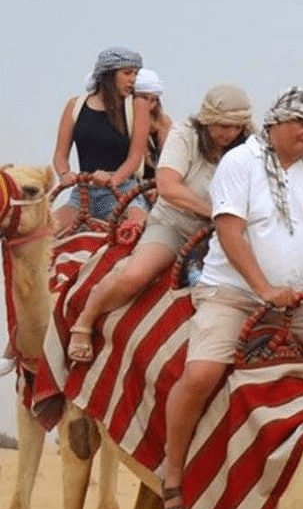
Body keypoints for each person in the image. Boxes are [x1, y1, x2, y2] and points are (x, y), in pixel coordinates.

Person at [160, 87, 303, 509]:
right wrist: (262, 287)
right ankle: (173, 472)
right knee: (201, 374)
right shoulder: (243, 163)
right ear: (276, 124)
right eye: (302, 123)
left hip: (296, 300)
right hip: (234, 292)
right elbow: (230, 230)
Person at [66, 85, 256, 363]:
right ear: (206, 120)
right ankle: (84, 321)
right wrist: (214, 213)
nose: (227, 133)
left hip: (229, 233)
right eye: (220, 126)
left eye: (234, 126)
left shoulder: (253, 148)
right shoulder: (185, 136)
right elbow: (168, 186)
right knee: (137, 274)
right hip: (177, 224)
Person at [51, 46, 154, 232]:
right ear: (108, 74)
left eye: (136, 74)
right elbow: (60, 154)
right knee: (41, 236)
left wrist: (113, 179)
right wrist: (64, 174)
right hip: (83, 194)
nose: (133, 79)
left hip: (123, 191)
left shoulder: (138, 105)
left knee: (134, 231)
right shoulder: (75, 106)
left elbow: (135, 157)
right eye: (127, 73)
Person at [132, 68, 173, 182]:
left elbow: (168, 163)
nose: (150, 103)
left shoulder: (163, 123)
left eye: (154, 99)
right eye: (144, 98)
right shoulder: (123, 122)